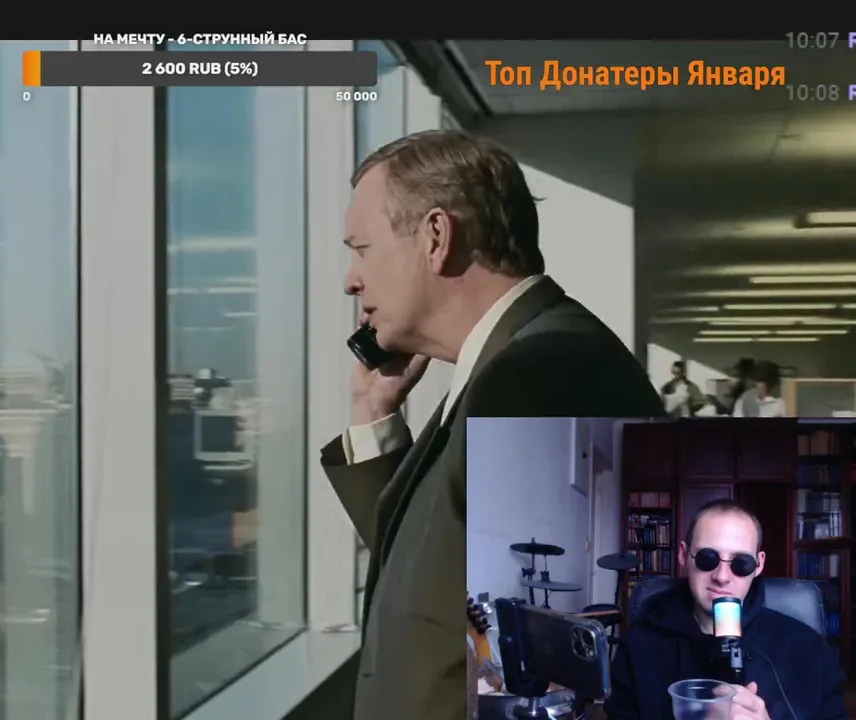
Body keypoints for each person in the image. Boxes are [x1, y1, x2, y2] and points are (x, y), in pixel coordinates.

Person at [319, 129, 666, 720]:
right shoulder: (511, 362)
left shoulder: (537, 372)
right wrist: (375, 415)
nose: (350, 279)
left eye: (362, 249)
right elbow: (429, 576)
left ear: (436, 237)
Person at [605, 500, 846, 720]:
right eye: (707, 559)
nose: (722, 577)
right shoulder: (639, 646)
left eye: (741, 563)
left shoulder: (809, 649)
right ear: (683, 555)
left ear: (759, 564)